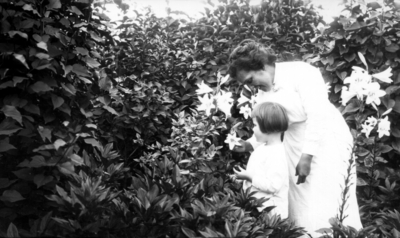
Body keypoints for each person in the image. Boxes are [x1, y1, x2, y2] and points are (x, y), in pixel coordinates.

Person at [229, 39, 363, 236]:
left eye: (249, 80)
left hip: (327, 140)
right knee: (302, 202)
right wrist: (248, 144)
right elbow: (270, 127)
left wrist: (307, 156)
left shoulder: (301, 72)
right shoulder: (263, 95)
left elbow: (318, 115)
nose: (252, 86)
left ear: (260, 65)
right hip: (293, 146)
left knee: (331, 195)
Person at [233, 102, 289, 218]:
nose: (252, 129)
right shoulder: (263, 147)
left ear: (267, 127)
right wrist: (245, 179)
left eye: (255, 125)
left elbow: (273, 185)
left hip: (271, 215)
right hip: (259, 210)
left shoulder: (276, 154)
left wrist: (249, 177)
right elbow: (261, 174)